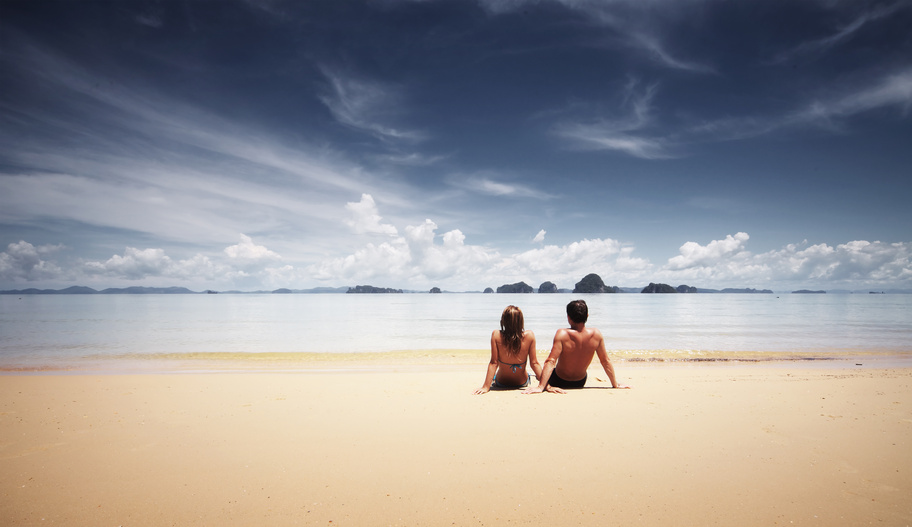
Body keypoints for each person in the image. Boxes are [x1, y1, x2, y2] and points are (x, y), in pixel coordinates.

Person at [522, 299, 630, 394]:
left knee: (538, 375)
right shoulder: (596, 334)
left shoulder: (562, 334)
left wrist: (541, 387)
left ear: (568, 317)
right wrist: (615, 384)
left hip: (558, 380)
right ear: (587, 316)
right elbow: (605, 361)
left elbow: (551, 361)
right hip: (580, 382)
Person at [474, 305, 542, 394]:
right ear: (521, 321)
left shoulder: (496, 335)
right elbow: (534, 363)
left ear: (503, 321)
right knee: (528, 373)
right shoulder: (529, 335)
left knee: (496, 374)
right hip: (522, 383)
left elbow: (494, 363)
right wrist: (545, 385)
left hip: (501, 383)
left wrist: (486, 387)